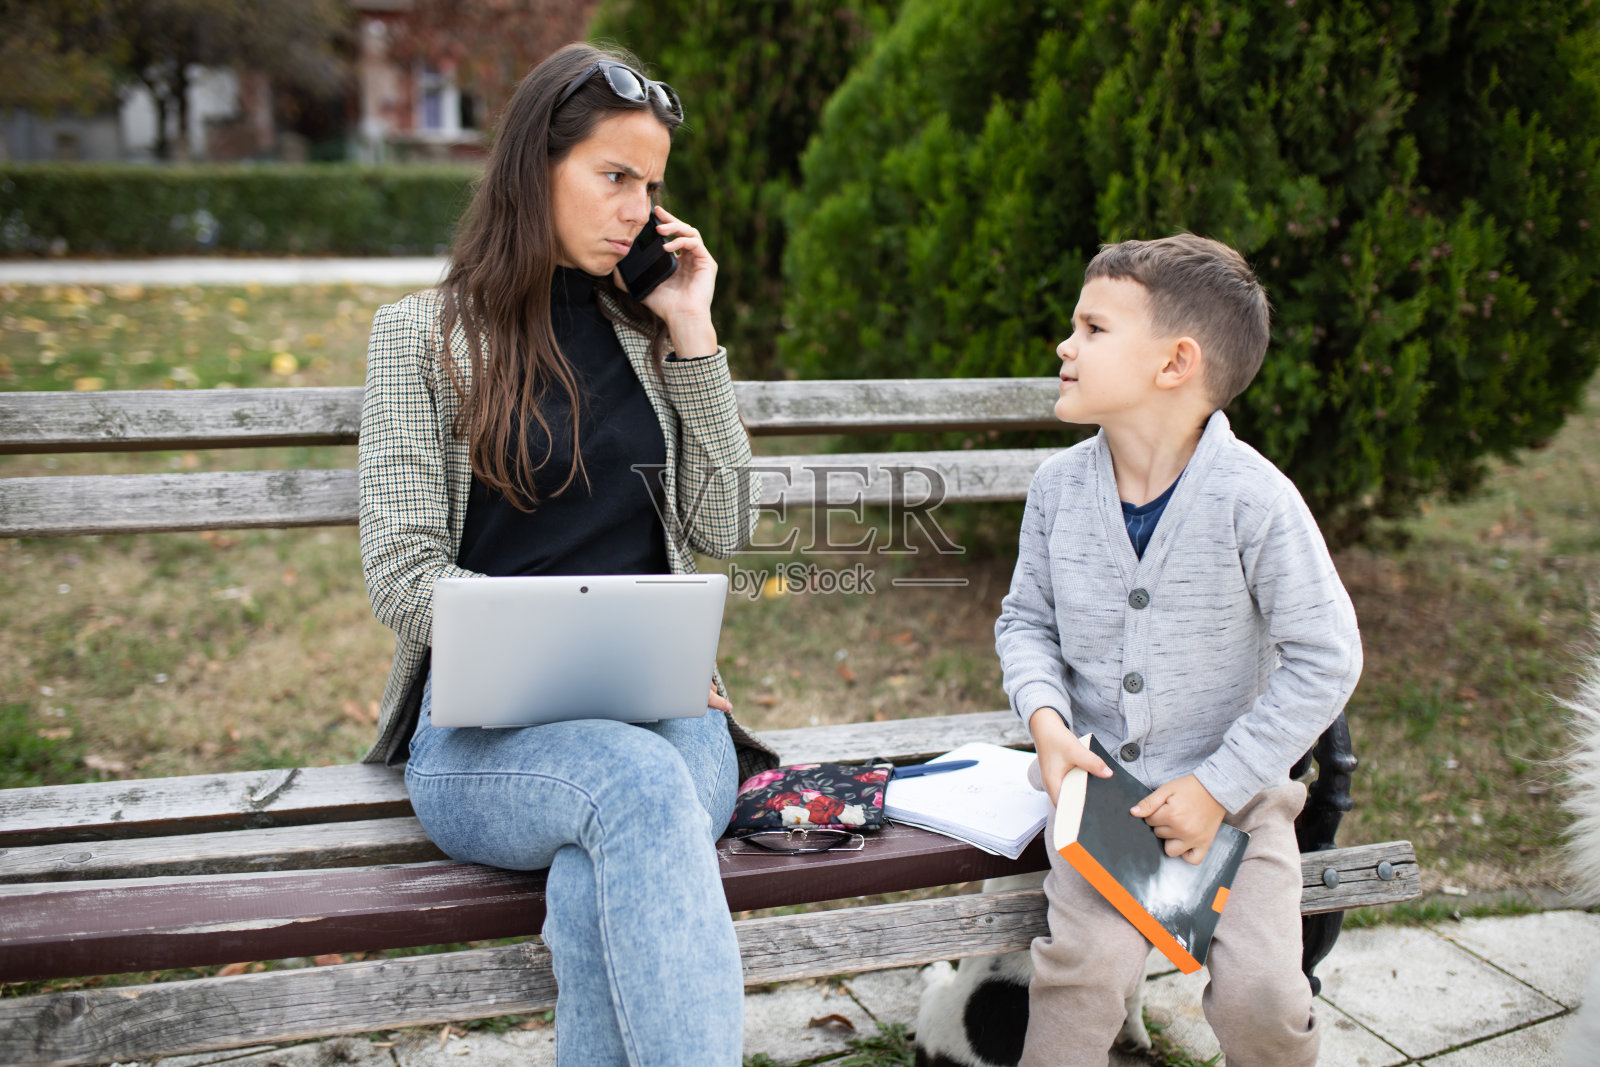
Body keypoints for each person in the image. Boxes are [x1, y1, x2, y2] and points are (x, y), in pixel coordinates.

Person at [356, 42, 777, 1066]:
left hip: (668, 719)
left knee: (613, 846)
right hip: (481, 740)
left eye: (651, 186)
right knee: (632, 789)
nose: (637, 209)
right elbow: (402, 572)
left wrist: (693, 331)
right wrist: (575, 644)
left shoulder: (647, 333)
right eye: (613, 176)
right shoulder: (421, 338)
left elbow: (725, 529)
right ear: (533, 170)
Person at [994, 234, 1363, 1066]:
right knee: (1079, 974)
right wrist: (1048, 724)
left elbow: (1328, 655)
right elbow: (1025, 623)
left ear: (1175, 363)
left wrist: (1217, 784)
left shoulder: (1255, 501)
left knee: (1264, 998)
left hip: (1236, 807)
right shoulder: (1056, 492)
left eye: (1092, 328)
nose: (1066, 344)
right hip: (1103, 800)